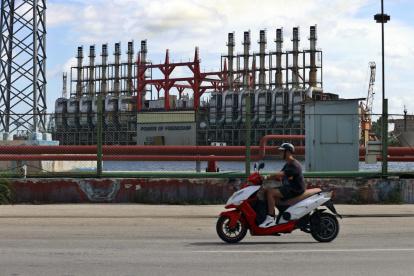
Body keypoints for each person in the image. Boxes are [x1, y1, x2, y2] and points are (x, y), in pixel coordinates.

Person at [258, 143, 306, 228]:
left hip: (294, 190)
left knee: (270, 192)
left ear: (288, 152)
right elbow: (279, 177)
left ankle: (270, 219)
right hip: (289, 187)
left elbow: (281, 174)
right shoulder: (288, 164)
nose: (279, 153)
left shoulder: (294, 165)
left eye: (281, 151)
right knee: (267, 189)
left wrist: (267, 177)